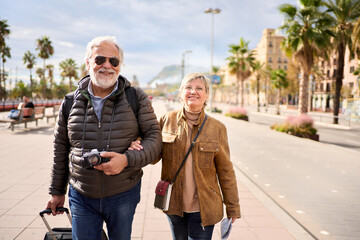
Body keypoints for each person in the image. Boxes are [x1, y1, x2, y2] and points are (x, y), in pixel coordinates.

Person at [46, 36, 162, 240]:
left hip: (123, 193)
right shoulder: (70, 102)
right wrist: (57, 191)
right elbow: (61, 149)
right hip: (81, 195)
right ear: (88, 62)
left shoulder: (136, 97)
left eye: (113, 61)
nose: (107, 65)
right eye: (100, 59)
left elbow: (155, 138)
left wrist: (126, 160)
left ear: (119, 66)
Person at [130, 73, 241, 240]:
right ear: (181, 93)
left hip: (205, 207)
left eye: (199, 88)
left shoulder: (217, 128)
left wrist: (233, 207)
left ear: (207, 95)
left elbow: (226, 171)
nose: (193, 92)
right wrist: (138, 144)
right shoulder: (167, 120)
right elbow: (153, 156)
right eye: (188, 88)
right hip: (174, 204)